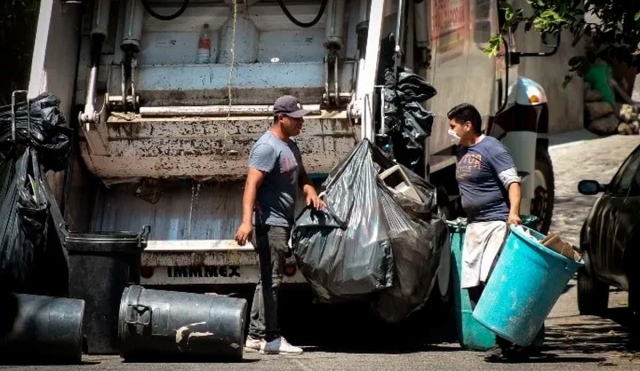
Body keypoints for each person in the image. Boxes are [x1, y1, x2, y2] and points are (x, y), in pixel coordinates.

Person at [234, 95, 325, 355]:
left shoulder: (290, 145)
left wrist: (310, 191)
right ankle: (271, 337)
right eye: (296, 119)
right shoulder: (267, 147)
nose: (301, 123)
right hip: (268, 223)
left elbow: (302, 174)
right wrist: (246, 222)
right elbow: (251, 185)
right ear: (281, 118)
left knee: (267, 278)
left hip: (282, 221)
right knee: (272, 279)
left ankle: (254, 335)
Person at [447, 103, 528, 362]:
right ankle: (503, 339)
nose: (450, 131)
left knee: (491, 281)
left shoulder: (492, 148)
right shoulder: (462, 150)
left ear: (467, 125)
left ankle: (507, 343)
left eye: (453, 126)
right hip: (474, 226)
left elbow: (512, 182)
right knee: (473, 286)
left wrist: (513, 212)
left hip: (495, 223)